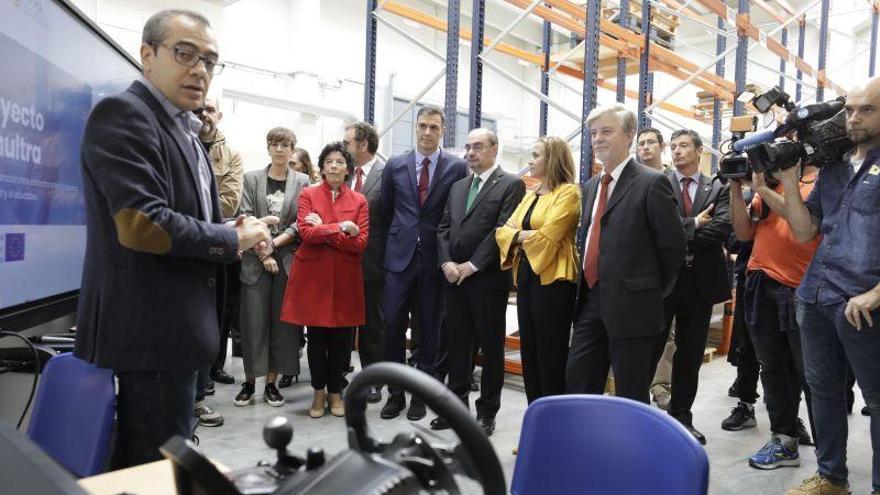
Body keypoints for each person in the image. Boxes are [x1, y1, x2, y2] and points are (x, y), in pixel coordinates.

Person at [73, 10, 273, 468]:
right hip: (151, 334)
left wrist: (235, 227)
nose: (199, 69)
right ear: (148, 55)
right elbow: (143, 225)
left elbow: (186, 216)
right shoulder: (124, 114)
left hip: (178, 334)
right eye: (185, 54)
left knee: (163, 464)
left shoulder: (183, 129)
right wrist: (229, 238)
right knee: (154, 470)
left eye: (209, 60)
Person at [774, 77, 880, 495]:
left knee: (876, 399)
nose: (854, 118)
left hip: (863, 302)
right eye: (850, 109)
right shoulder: (834, 166)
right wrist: (786, 178)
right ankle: (832, 478)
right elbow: (804, 233)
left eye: (867, 110)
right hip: (815, 295)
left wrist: (876, 292)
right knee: (823, 392)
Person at [564, 104, 685, 406]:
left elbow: (673, 249)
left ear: (629, 135)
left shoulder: (651, 183)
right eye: (593, 133)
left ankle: (632, 452)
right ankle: (587, 447)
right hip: (590, 301)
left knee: (631, 391)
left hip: (634, 308)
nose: (598, 139)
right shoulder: (591, 186)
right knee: (579, 381)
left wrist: (647, 292)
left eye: (606, 131)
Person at [431, 128, 525, 436]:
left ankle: (487, 413)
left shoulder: (511, 184)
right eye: (468, 147)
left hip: (486, 282)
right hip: (454, 280)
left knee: (491, 350)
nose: (471, 153)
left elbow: (502, 231)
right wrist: (446, 262)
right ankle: (457, 409)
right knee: (456, 347)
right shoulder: (458, 187)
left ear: (494, 149)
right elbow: (443, 227)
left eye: (479, 147)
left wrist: (471, 265)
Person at [380, 105, 468, 421]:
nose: (427, 132)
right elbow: (387, 210)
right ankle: (395, 393)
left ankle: (421, 394)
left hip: (435, 261)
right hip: (399, 259)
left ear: (443, 130)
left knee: (429, 330)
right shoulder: (395, 165)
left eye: (433, 127)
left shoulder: (456, 168)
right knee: (391, 326)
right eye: (422, 126)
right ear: (414, 128)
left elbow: (456, 216)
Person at [728, 164, 819, 469]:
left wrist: (765, 189)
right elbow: (743, 232)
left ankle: (829, 458)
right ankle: (784, 441)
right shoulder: (769, 184)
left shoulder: (821, 180)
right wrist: (736, 188)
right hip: (759, 281)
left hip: (801, 286)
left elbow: (802, 228)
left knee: (813, 374)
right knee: (773, 368)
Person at [281, 141, 369, 419]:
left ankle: (335, 391)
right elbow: (306, 234)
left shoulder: (359, 201)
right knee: (317, 339)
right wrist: (342, 228)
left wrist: (324, 228)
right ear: (321, 167)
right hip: (313, 279)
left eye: (340, 162)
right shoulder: (307, 194)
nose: (334, 166)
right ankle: (318, 393)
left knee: (342, 342)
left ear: (348, 170)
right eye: (329, 161)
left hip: (345, 278)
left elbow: (361, 243)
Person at [658, 129, 731, 445]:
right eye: (673, 146)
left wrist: (678, 233)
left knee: (689, 355)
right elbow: (655, 230)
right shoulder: (659, 184)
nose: (676, 151)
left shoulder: (719, 187)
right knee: (649, 350)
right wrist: (694, 224)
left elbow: (722, 229)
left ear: (699, 151)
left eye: (684, 145)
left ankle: (681, 418)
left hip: (701, 282)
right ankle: (641, 416)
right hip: (663, 281)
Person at [495, 136, 580, 403]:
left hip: (553, 280)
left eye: (535, 155)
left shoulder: (569, 193)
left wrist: (516, 236)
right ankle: (537, 419)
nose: (530, 160)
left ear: (552, 159)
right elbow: (501, 232)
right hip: (527, 277)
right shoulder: (530, 194)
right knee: (529, 353)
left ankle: (555, 426)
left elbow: (550, 237)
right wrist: (520, 235)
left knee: (551, 354)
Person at [233, 127, 310, 408]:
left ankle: (271, 384)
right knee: (253, 323)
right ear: (268, 148)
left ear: (293, 149)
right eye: (274, 144)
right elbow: (247, 216)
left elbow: (301, 221)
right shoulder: (251, 178)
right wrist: (263, 252)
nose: (279, 149)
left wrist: (273, 246)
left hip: (287, 262)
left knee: (283, 326)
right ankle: (250, 382)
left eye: (285, 144)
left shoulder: (302, 181)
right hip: (255, 261)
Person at [195, 96, 242, 429]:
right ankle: (196, 389)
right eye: (199, 110)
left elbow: (228, 201)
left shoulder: (230, 155)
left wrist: (198, 218)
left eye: (209, 110)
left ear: (219, 115)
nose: (204, 115)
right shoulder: (181, 142)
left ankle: (204, 383)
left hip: (214, 246)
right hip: (188, 247)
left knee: (215, 317)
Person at [343, 121, 387, 403]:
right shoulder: (342, 174)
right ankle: (340, 372)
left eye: (348, 142)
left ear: (363, 145)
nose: (344, 146)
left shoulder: (387, 174)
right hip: (341, 261)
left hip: (374, 261)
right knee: (342, 322)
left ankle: (374, 379)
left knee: (372, 325)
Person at [636, 127, 675, 408]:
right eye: (641, 143)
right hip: (636, 271)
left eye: (651, 142)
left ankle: (660, 386)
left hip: (666, 272)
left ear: (662, 146)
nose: (645, 147)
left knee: (666, 333)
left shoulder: (672, 180)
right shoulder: (630, 179)